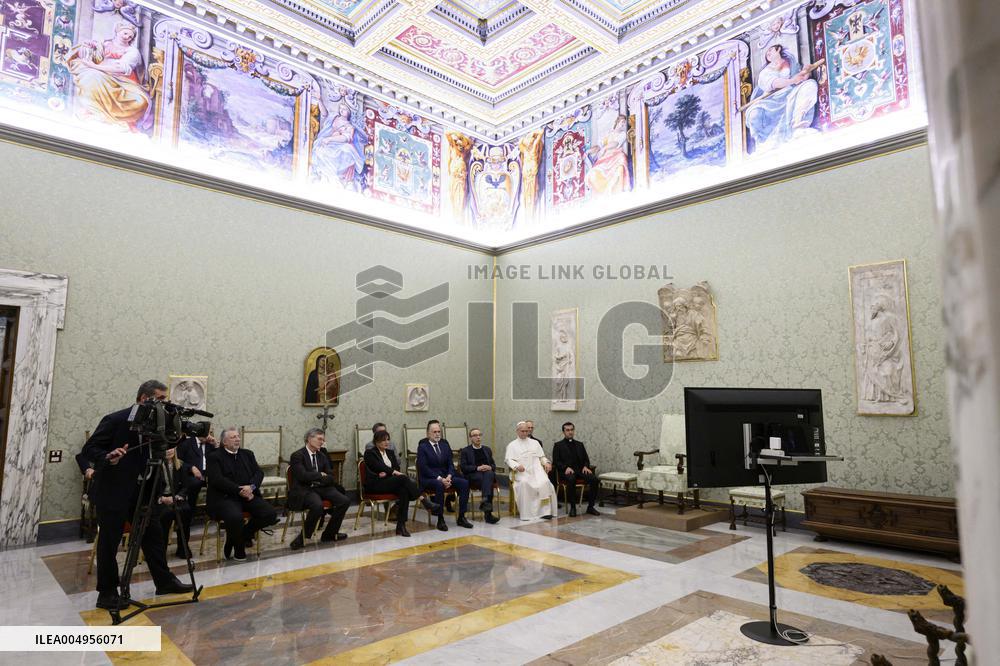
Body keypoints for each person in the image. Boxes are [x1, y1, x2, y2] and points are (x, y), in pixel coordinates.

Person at [79, 380, 194, 611]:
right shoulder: (116, 420)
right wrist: (109, 456)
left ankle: (164, 581)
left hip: (143, 491)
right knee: (109, 542)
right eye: (161, 400)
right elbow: (89, 449)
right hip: (113, 491)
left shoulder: (159, 425)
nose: (165, 405)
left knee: (153, 536)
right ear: (144, 399)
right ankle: (107, 592)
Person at [206, 426, 279, 561]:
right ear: (224, 442)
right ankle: (239, 550)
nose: (237, 439)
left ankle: (240, 536)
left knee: (270, 514)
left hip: (249, 495)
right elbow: (217, 480)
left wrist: (251, 487)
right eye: (233, 437)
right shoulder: (214, 457)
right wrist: (239, 490)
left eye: (238, 436)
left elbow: (259, 472)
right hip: (225, 498)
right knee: (235, 517)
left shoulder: (247, 454)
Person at [67, 20, 150, 130]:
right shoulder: (104, 44)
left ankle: (113, 118)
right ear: (117, 32)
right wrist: (89, 46)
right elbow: (93, 56)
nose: (127, 37)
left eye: (130, 37)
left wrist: (95, 67)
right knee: (91, 77)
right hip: (100, 75)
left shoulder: (132, 51)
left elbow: (120, 69)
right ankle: (95, 112)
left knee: (141, 101)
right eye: (125, 33)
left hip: (123, 82)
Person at [744, 43, 818, 153]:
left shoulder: (791, 61)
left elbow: (800, 78)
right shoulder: (765, 72)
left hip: (791, 93)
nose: (768, 54)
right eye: (766, 53)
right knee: (753, 113)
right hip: (771, 101)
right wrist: (792, 80)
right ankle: (762, 144)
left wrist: (806, 72)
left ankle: (798, 126)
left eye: (770, 50)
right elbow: (773, 83)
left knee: (810, 85)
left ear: (778, 49)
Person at [364, 431, 439, 537]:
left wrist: (389, 472)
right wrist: (392, 472)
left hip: (390, 482)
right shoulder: (370, 453)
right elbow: (378, 466)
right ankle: (422, 499)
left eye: (388, 439)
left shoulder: (390, 453)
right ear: (376, 442)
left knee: (404, 491)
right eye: (383, 440)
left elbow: (396, 468)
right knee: (403, 478)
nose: (387, 442)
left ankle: (401, 526)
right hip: (375, 484)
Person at [287, 428, 351, 550]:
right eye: (319, 439)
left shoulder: (322, 455)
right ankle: (303, 537)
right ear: (309, 439)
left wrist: (318, 478)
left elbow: (331, 477)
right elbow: (302, 476)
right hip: (305, 489)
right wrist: (319, 474)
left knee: (344, 501)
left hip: (322, 487)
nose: (322, 442)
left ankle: (329, 534)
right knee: (317, 506)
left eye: (323, 439)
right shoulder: (297, 455)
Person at [417, 420, 472, 531]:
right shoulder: (423, 447)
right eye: (434, 432)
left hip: (445, 477)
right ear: (428, 433)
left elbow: (450, 464)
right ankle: (440, 518)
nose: (437, 434)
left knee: (464, 483)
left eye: (439, 432)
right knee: (439, 485)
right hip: (429, 478)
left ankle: (461, 517)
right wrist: (440, 479)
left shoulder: (444, 445)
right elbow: (424, 468)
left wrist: (449, 476)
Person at [173, 429, 216, 557]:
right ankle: (189, 511)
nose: (210, 435)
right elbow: (177, 460)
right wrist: (191, 467)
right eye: (208, 432)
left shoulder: (210, 445)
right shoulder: (187, 444)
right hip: (190, 477)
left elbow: (219, 460)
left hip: (209, 477)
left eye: (212, 432)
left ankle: (215, 512)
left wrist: (216, 446)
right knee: (194, 484)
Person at [505, 422, 558, 521]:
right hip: (521, 473)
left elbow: (541, 457)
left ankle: (545, 512)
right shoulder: (512, 445)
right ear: (517, 431)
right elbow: (509, 459)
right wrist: (516, 466)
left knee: (545, 482)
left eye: (527, 431)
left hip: (536, 471)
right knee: (525, 483)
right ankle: (527, 514)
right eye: (523, 431)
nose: (525, 433)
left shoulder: (535, 443)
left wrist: (546, 462)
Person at [552, 422, 601, 517]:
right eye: (567, 430)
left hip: (580, 470)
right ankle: (573, 508)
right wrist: (565, 467)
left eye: (572, 430)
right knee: (571, 480)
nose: (570, 432)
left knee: (594, 480)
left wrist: (586, 466)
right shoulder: (558, 445)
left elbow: (586, 459)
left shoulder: (579, 444)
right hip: (567, 472)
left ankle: (590, 507)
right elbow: (556, 462)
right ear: (563, 432)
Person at [459, 428, 500, 524]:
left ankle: (485, 500)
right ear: (470, 438)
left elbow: (494, 465)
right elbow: (464, 468)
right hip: (474, 476)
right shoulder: (465, 451)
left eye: (479, 435)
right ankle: (488, 514)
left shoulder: (487, 449)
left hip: (486, 475)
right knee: (488, 481)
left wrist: (489, 467)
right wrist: (477, 468)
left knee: (489, 474)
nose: (478, 437)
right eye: (475, 435)